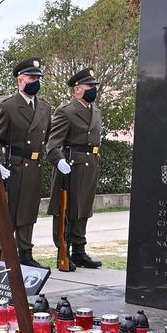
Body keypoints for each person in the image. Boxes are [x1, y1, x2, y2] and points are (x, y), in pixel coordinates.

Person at [0, 58, 51, 268]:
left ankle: (26, 252)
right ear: (20, 81)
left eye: (37, 78)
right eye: (31, 77)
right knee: (9, 212)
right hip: (14, 166)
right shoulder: (7, 106)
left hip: (34, 166)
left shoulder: (44, 107)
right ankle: (4, 251)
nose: (35, 81)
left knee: (28, 211)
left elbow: (47, 138)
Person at [48, 67, 105, 269]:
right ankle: (63, 249)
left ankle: (79, 250)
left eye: (95, 86)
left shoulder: (96, 111)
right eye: (90, 86)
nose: (94, 89)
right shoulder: (66, 111)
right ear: (77, 89)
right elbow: (53, 143)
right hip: (71, 165)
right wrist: (59, 160)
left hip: (89, 165)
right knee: (66, 209)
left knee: (83, 209)